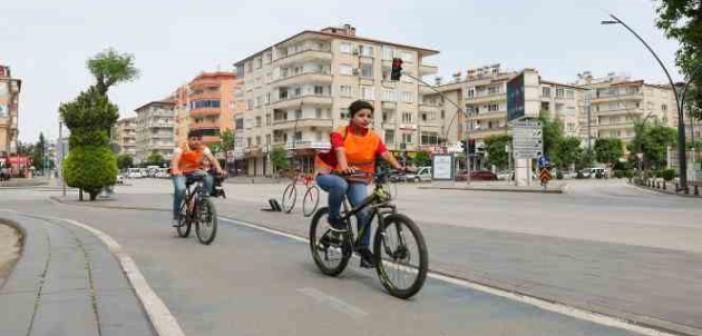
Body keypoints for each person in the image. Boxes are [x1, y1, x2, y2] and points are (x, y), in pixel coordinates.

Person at [315, 100, 410, 268]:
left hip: (357, 178)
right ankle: (334, 219)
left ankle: (363, 250)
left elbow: (385, 153)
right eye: (361, 115)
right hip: (329, 173)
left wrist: (399, 167)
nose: (365, 119)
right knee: (340, 185)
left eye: (369, 116)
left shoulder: (373, 137)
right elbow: (340, 151)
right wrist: (344, 168)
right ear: (352, 117)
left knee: (364, 213)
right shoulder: (341, 133)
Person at [171, 130, 224, 226]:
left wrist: (220, 169)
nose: (196, 141)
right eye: (194, 139)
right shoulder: (181, 148)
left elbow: (213, 159)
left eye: (199, 139)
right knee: (181, 189)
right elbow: (175, 160)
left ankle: (202, 201)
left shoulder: (203, 149)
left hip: (194, 171)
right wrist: (175, 169)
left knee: (208, 178)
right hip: (180, 173)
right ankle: (177, 214)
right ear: (188, 140)